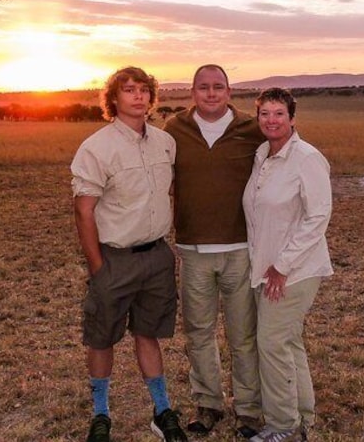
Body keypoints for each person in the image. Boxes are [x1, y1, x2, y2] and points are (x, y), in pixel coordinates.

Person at [71, 66, 188, 442]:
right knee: (102, 337)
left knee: (148, 333)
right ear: (114, 99)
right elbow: (84, 210)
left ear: (152, 98)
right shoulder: (97, 147)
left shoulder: (164, 144)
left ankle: (162, 410)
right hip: (114, 259)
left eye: (143, 90)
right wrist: (98, 267)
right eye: (128, 90)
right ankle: (101, 415)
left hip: (156, 256)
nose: (138, 96)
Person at [163, 64, 266, 438]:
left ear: (229, 91)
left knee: (243, 334)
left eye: (218, 87)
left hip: (241, 247)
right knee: (199, 332)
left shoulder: (251, 129)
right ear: (192, 91)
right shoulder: (175, 129)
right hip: (192, 248)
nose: (211, 93)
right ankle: (208, 404)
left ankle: (250, 410)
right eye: (203, 87)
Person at [241, 88, 333, 442]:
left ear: (292, 119)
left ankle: (282, 426)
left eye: (279, 114)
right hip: (267, 266)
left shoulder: (306, 158)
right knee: (288, 343)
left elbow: (318, 217)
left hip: (294, 271)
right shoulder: (262, 155)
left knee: (271, 343)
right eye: (264, 114)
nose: (271, 120)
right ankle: (302, 420)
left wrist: (282, 265)